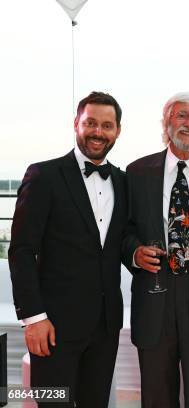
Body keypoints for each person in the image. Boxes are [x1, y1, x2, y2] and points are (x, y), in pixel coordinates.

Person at [8, 91, 126, 407]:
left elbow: (120, 243)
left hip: (104, 327)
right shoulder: (43, 175)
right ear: (76, 123)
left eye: (107, 125)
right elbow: (21, 250)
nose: (98, 132)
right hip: (53, 327)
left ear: (117, 130)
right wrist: (33, 318)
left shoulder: (123, 181)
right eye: (90, 123)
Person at [122, 92, 189, 407]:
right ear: (167, 121)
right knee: (156, 398)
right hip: (154, 297)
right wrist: (134, 253)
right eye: (182, 115)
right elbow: (124, 230)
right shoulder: (137, 172)